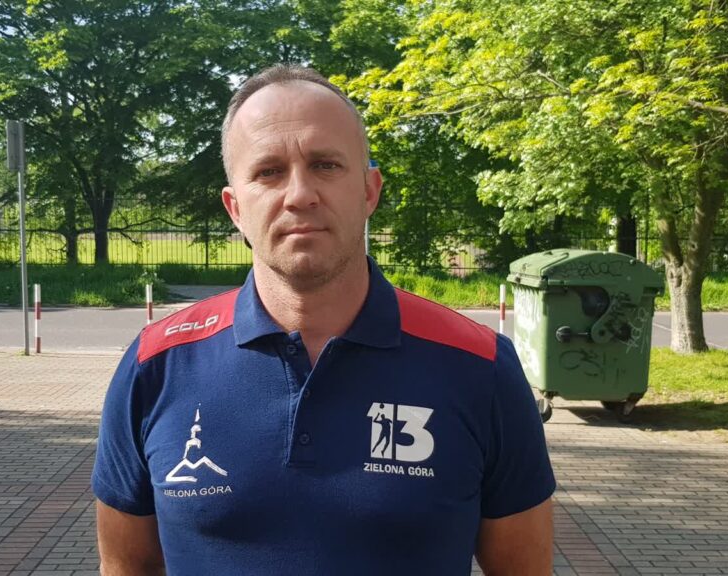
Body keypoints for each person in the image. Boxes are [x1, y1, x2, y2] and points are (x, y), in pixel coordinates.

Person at [92, 64, 555, 576]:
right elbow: (126, 566)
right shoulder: (156, 366)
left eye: (326, 165)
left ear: (369, 191)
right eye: (269, 172)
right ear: (235, 208)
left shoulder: (480, 367)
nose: (299, 194)